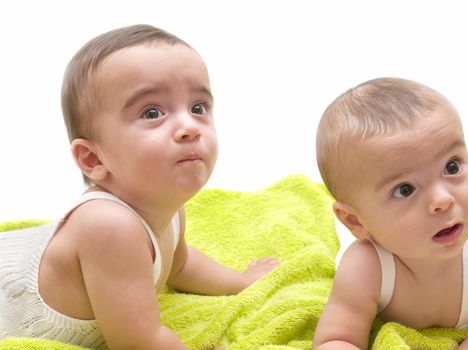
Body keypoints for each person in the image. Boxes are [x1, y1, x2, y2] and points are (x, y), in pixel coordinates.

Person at [0, 24, 278, 350]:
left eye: (198, 107)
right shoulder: (110, 226)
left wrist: (241, 282)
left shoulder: (167, 208)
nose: (189, 126)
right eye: (152, 112)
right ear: (92, 159)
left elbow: (181, 266)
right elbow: (139, 341)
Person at [312, 77, 468, 349]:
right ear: (355, 220)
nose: (442, 199)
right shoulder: (366, 268)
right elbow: (336, 340)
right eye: (405, 189)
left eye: (451, 167)